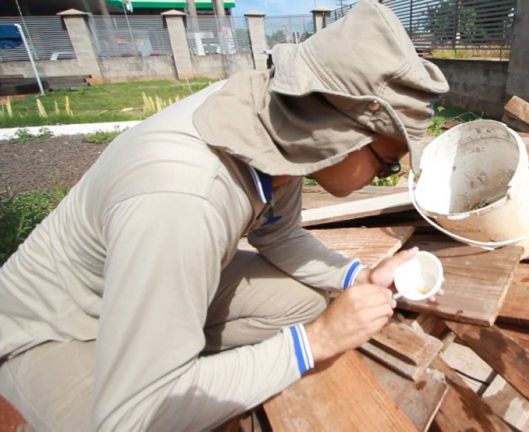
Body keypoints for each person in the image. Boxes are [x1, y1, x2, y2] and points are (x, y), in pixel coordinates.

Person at [0, 1, 449, 430]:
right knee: (148, 414)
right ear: (340, 135)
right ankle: (157, 368)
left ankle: (167, 358)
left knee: (306, 305)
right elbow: (132, 416)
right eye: (387, 162)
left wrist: (359, 277)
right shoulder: (184, 199)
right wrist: (319, 341)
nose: (388, 173)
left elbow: (280, 237)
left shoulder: (280, 128)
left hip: (137, 283)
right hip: (57, 330)